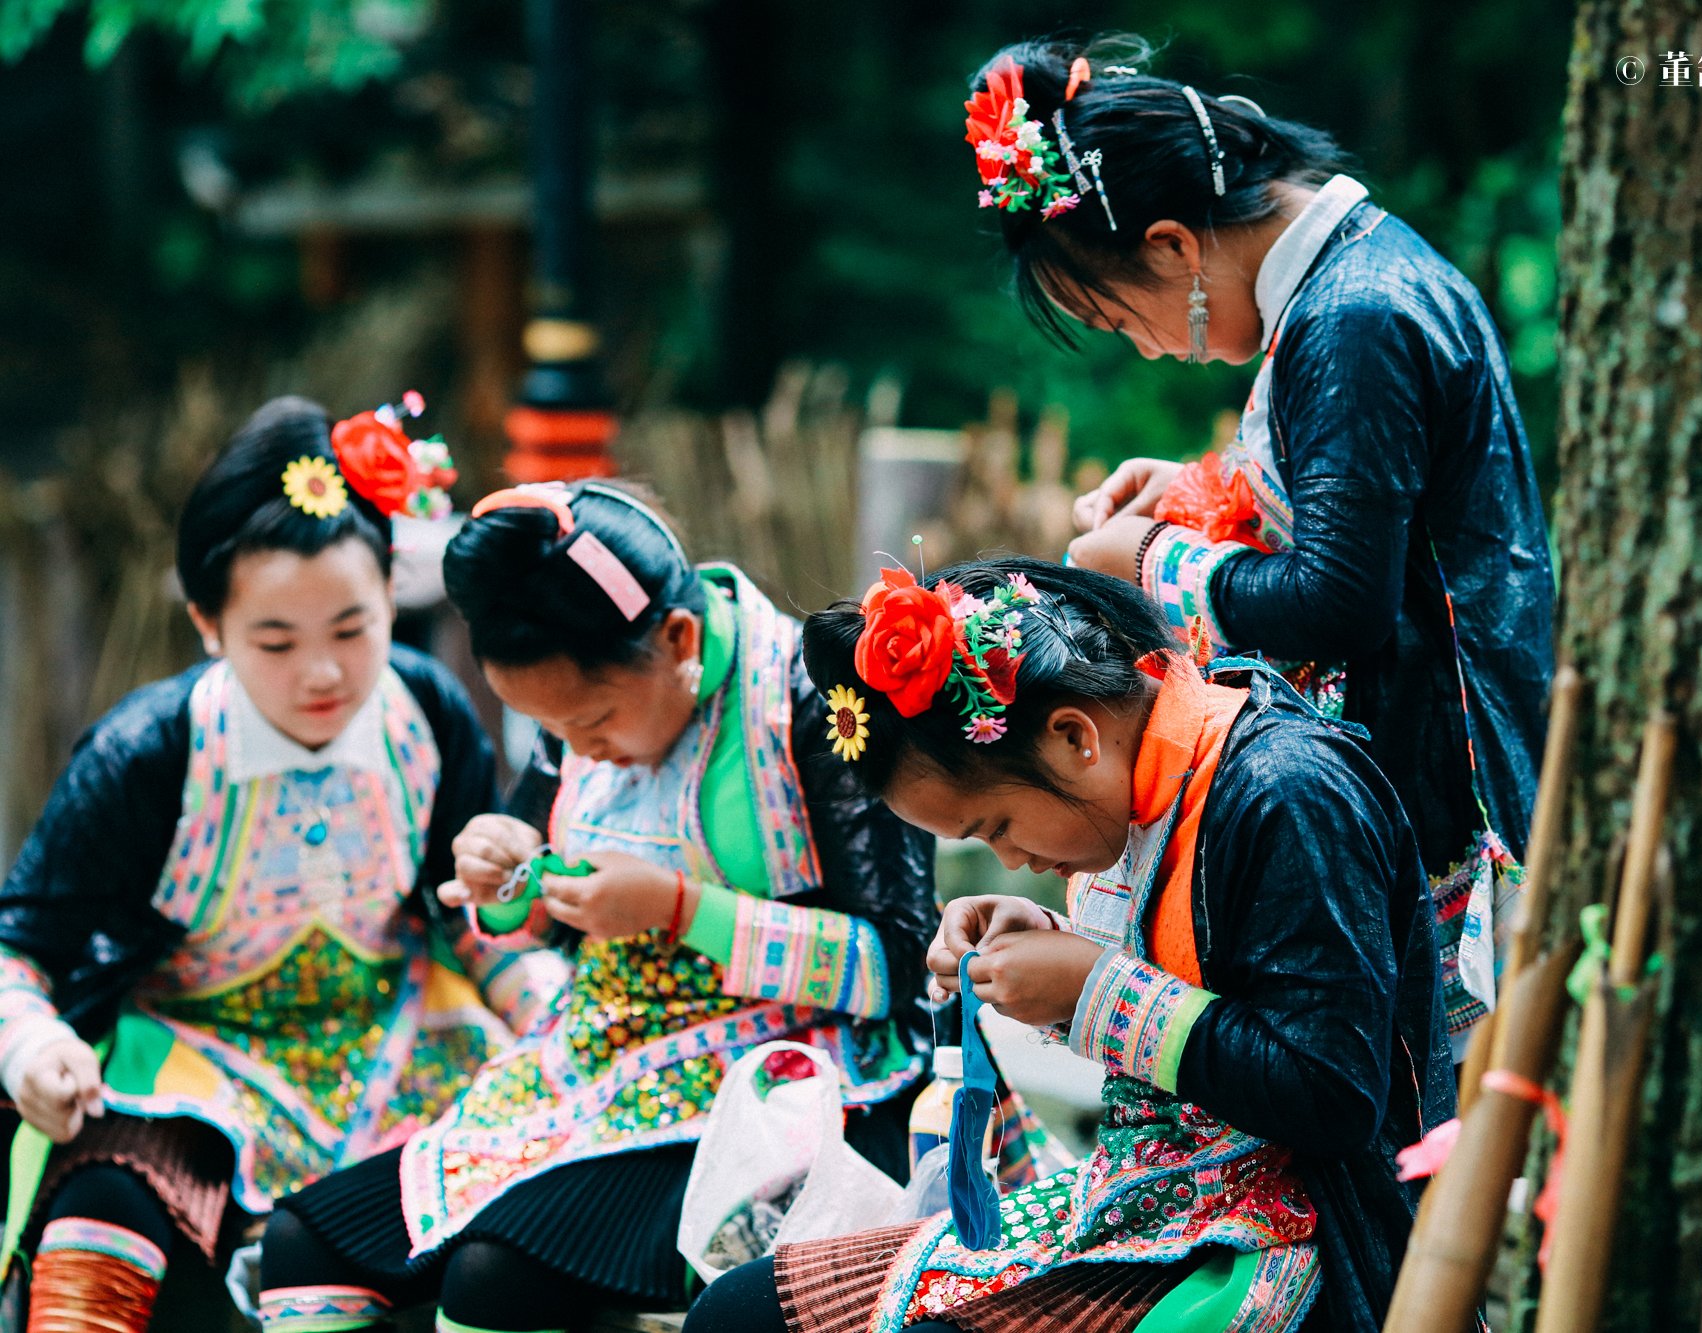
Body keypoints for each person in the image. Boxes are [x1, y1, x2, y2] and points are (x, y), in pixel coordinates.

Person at [684, 556, 1454, 1333]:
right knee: (737, 1313)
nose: (1013, 858)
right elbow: (1187, 985)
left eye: (997, 828)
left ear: (1073, 735)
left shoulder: (1289, 790)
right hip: (1141, 1203)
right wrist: (1046, 946)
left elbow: (1334, 1092)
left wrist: (1096, 992)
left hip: (1285, 1235)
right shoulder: (1136, 788)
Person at [965, 37, 1555, 1047]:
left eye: (1120, 319)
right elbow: (1365, 507)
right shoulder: (1354, 275)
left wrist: (1146, 559)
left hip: (1444, 788)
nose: (1147, 345)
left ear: (1170, 247)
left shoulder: (1351, 317)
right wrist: (1195, 491)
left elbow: (1340, 597)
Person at [256, 481, 939, 1332]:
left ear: (678, 638)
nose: (579, 752)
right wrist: (506, 884)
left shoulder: (817, 706)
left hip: (799, 1078)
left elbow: (899, 967)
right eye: (552, 729)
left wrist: (683, 910)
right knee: (299, 1242)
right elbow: (544, 904)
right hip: (598, 1057)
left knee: (494, 1274)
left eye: (592, 720)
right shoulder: (580, 693)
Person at [0, 395, 560, 1332]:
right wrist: (32, 1044)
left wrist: (544, 997)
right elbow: (23, 942)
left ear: (393, 593)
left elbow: (474, 914)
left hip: (407, 1049)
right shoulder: (147, 753)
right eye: (275, 640)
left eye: (352, 630)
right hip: (194, 1065)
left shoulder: (427, 714)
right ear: (207, 623)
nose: (322, 674)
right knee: (100, 1223)